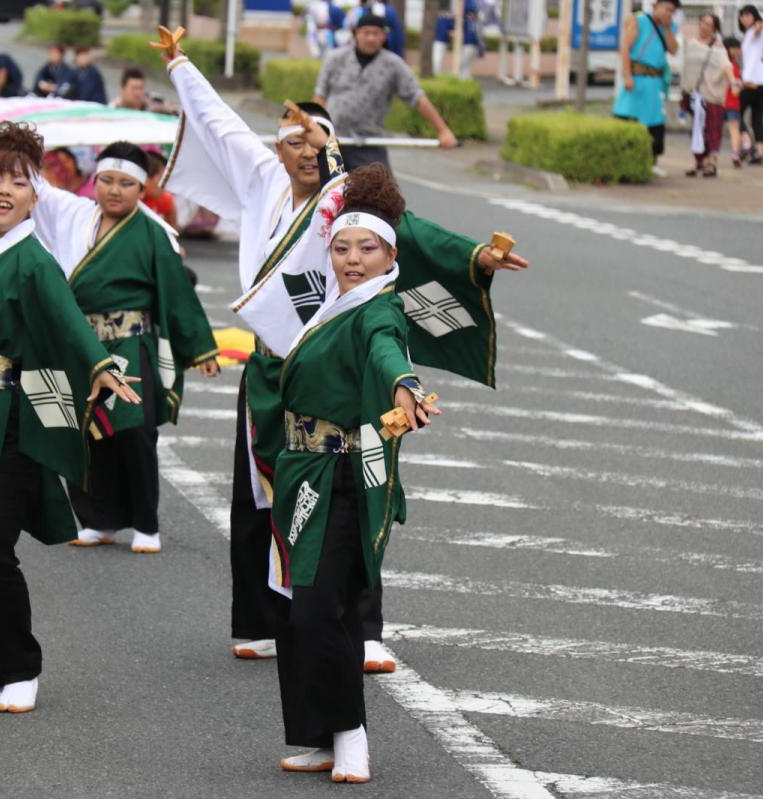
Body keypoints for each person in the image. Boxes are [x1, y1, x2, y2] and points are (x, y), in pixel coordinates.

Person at [157, 36, 526, 669]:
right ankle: (261, 619)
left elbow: (411, 232)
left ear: (333, 147)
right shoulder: (258, 184)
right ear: (277, 149)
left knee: (357, 494)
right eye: (293, 141)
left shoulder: (345, 200)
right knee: (258, 497)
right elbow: (217, 121)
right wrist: (181, 65)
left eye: (317, 141)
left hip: (344, 362)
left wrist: (477, 255)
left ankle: (365, 630)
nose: (305, 151)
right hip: (273, 368)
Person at [0, 16, 142, 713]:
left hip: (5, 416)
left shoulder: (33, 258)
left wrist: (99, 363)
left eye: (18, 183)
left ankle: (21, 665)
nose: (4, 191)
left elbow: (67, 321)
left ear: (36, 194)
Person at [272, 163, 440, 784]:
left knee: (322, 610)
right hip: (300, 474)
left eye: (367, 249)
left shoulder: (378, 310)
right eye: (341, 248)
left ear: (391, 254)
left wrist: (403, 386)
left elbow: (386, 349)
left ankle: (351, 735)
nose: (352, 259)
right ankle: (316, 734)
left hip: (342, 475)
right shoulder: (330, 307)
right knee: (297, 609)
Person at [29, 141, 220, 553]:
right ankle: (97, 520)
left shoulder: (154, 233)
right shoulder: (77, 219)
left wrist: (200, 348)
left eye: (126, 183)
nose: (115, 190)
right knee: (82, 432)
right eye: (107, 181)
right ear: (95, 182)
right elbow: (34, 188)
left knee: (134, 432)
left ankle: (145, 523)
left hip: (131, 345)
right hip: (82, 345)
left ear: (143, 187)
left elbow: (176, 293)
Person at [313, 14, 458, 172]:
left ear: (384, 36)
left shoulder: (393, 65)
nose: (370, 38)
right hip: (333, 141)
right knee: (323, 191)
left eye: (376, 33)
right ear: (355, 33)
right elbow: (320, 95)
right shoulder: (336, 58)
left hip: (369, 143)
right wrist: (314, 129)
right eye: (366, 33)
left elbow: (417, 98)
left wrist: (442, 130)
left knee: (383, 193)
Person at [613, 0, 680, 176]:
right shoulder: (639, 21)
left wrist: (667, 29)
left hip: (655, 81)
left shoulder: (671, 27)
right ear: (656, 7)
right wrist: (627, 75)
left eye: (672, 11)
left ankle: (652, 162)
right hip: (636, 78)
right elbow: (625, 48)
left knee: (655, 122)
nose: (669, 13)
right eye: (667, 9)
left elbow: (673, 50)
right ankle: (623, 161)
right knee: (628, 117)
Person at [681, 13, 731, 177]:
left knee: (712, 130)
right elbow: (684, 65)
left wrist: (733, 80)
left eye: (709, 24)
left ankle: (712, 162)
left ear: (714, 28)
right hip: (693, 95)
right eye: (703, 22)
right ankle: (700, 161)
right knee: (697, 129)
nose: (705, 26)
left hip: (711, 96)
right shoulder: (690, 44)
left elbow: (725, 66)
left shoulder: (718, 47)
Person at [738, 4, 763, 165]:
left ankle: (747, 144)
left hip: (752, 82)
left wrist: (759, 25)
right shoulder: (752, 33)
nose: (745, 19)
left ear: (755, 17)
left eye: (748, 15)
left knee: (733, 112)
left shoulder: (757, 31)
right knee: (757, 117)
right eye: (742, 16)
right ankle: (759, 153)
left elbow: (759, 30)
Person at [142, 151, 179, 229]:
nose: (165, 184)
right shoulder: (130, 201)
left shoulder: (163, 199)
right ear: (145, 178)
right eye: (162, 178)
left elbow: (172, 226)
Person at [724, 36, 745, 167]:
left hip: (721, 101)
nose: (737, 50)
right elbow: (737, 85)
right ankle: (735, 154)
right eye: (734, 48)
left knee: (712, 129)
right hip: (732, 102)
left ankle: (708, 153)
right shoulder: (734, 65)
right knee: (734, 130)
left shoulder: (723, 64)